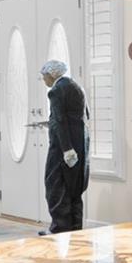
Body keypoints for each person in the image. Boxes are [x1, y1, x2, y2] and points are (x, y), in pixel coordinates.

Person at [40, 60, 89, 233]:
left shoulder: (56, 90)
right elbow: (79, 118)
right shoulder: (74, 86)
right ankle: (75, 229)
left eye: (44, 76)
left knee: (55, 186)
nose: (44, 80)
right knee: (74, 190)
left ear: (51, 74)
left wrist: (67, 149)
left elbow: (60, 120)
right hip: (79, 144)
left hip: (63, 148)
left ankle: (59, 229)